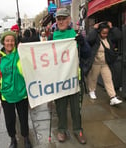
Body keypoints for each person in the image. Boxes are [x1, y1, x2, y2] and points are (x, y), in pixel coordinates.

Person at [0, 31, 32, 148]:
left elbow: (30, 68)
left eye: (12, 40)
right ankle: (13, 139)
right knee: (9, 120)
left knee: (24, 118)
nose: (10, 43)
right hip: (6, 96)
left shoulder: (21, 55)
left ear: (15, 42)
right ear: (3, 42)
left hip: (21, 93)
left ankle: (26, 138)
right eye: (7, 40)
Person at [52, 7, 88, 144]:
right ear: (56, 21)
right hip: (59, 80)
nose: (61, 21)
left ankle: (78, 130)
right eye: (58, 19)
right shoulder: (52, 37)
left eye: (63, 19)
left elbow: (87, 54)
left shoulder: (76, 36)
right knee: (60, 107)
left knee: (75, 108)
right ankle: (62, 130)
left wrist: (82, 44)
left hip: (74, 79)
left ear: (69, 20)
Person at [86, 21, 122, 105]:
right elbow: (89, 39)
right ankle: (92, 91)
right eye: (103, 33)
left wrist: (112, 27)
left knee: (108, 79)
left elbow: (119, 36)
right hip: (95, 63)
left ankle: (112, 97)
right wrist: (94, 29)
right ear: (99, 32)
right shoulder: (95, 38)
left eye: (107, 33)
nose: (105, 35)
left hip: (105, 64)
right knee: (93, 78)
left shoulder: (109, 38)